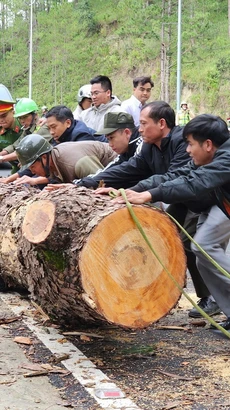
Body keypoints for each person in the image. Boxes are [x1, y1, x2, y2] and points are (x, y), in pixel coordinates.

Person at [75, 101, 219, 318]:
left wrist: (142, 193)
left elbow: (176, 177)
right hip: (181, 200)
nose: (139, 129)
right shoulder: (149, 147)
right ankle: (207, 296)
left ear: (161, 123)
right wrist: (86, 184)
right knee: (182, 243)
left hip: (204, 201)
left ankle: (214, 297)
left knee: (198, 246)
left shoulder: (182, 142)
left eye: (143, 123)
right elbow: (129, 169)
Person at [107, 114, 230, 330]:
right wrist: (135, 190)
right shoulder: (209, 158)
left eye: (191, 145)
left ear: (208, 145)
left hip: (221, 208)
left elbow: (196, 183)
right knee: (202, 254)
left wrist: (151, 196)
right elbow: (177, 175)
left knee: (206, 245)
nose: (188, 150)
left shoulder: (226, 158)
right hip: (222, 207)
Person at [45, 111, 143, 191]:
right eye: (108, 139)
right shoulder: (125, 152)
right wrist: (78, 184)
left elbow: (128, 168)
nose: (110, 144)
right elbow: (109, 170)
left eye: (111, 138)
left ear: (127, 133)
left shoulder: (142, 144)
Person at [14, 134, 117, 188]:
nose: (32, 172)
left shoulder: (77, 163)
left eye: (32, 167)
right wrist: (35, 181)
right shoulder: (53, 159)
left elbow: (100, 183)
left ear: (44, 158)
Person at [0, 98, 52, 185]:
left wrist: (2, 159)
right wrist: (1, 154)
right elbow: (15, 146)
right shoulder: (27, 129)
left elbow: (27, 152)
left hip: (46, 168)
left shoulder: (43, 128)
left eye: (25, 117)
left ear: (35, 115)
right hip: (33, 166)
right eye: (20, 118)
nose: (22, 121)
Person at [0, 84, 22, 173]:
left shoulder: (23, 125)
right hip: (15, 170)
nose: (1, 120)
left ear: (13, 112)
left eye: (4, 116)